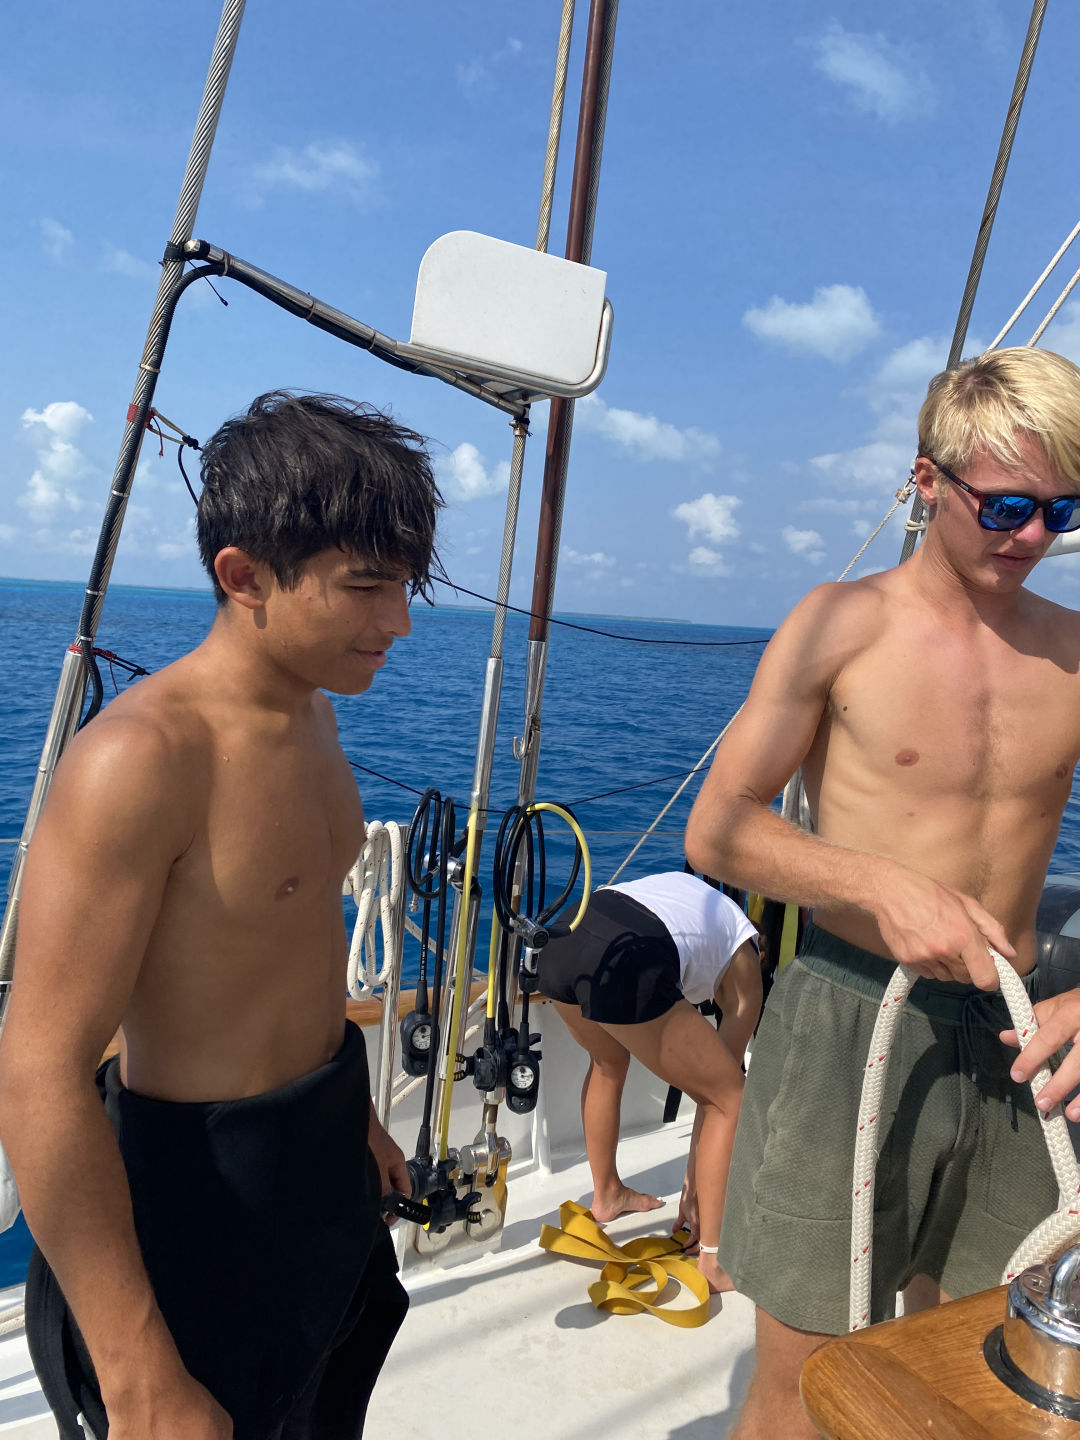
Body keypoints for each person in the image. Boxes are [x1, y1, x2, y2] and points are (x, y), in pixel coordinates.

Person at [0, 392, 444, 1440]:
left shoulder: (312, 711)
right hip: (197, 1207)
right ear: (244, 577)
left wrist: (356, 1119)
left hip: (322, 1165)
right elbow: (37, 1070)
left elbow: (280, 949)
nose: (398, 622)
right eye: (366, 587)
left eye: (404, 586)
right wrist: (138, 1375)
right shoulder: (140, 761)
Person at [683, 347, 1080, 1438]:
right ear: (926, 480)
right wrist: (877, 884)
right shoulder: (840, 624)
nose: (1032, 538)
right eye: (1005, 507)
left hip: (1016, 1037)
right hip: (849, 1015)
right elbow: (719, 826)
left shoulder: (1074, 652)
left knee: (983, 1367)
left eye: (1060, 512)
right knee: (806, 1381)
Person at [537, 870, 762, 1295]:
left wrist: (693, 1184)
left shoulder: (699, 905)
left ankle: (607, 1195)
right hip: (626, 953)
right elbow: (717, 1099)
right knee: (729, 1098)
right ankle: (714, 1262)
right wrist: (693, 1193)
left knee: (607, 1062)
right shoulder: (747, 966)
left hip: (563, 940)